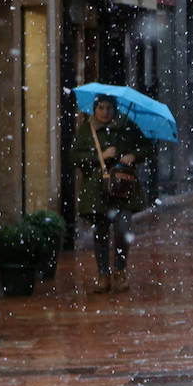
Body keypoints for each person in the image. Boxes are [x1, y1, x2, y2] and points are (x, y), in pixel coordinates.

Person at [70, 94, 149, 293]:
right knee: (101, 233)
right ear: (95, 109)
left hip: (122, 189)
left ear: (114, 109)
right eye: (101, 108)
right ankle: (103, 274)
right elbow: (76, 157)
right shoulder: (87, 130)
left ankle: (120, 270)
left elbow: (147, 148)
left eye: (109, 108)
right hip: (98, 192)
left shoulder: (126, 128)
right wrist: (99, 157)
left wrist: (134, 155)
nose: (105, 112)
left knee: (122, 229)